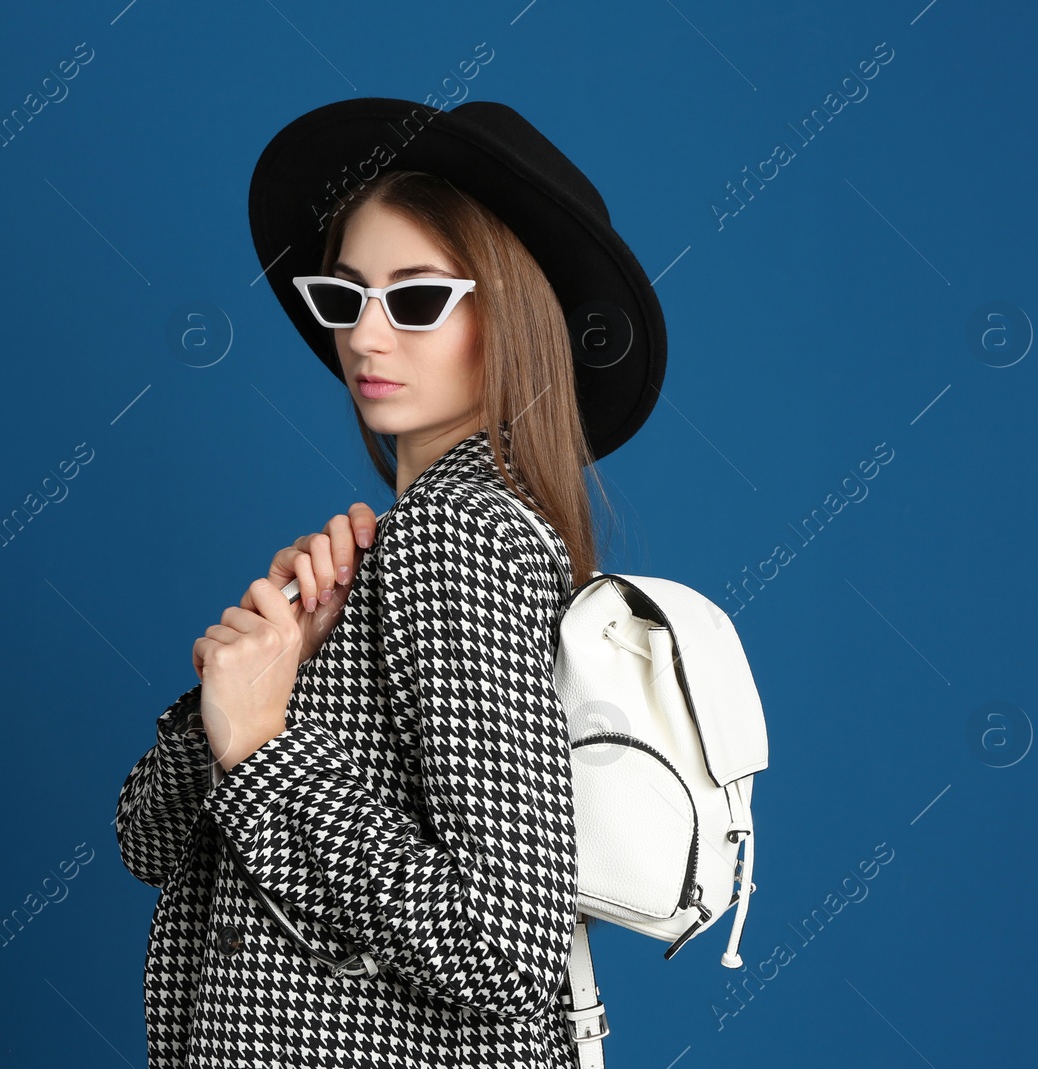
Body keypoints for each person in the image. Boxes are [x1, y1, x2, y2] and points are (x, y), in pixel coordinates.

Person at [115, 97, 666, 1068]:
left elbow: (500, 947)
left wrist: (264, 743)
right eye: (345, 296)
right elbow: (146, 843)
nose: (366, 339)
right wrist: (255, 678)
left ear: (510, 317)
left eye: (415, 300)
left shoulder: (455, 539)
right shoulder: (393, 558)